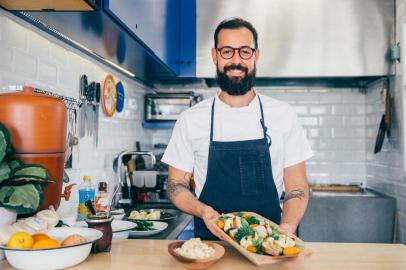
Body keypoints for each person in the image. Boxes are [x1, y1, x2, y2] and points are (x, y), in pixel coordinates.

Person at [161, 17, 314, 240]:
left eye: (244, 51)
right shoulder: (191, 119)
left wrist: (287, 227)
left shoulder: (284, 115)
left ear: (256, 56)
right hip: (210, 246)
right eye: (227, 52)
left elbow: (297, 187)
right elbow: (176, 184)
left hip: (269, 243)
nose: (236, 61)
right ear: (215, 56)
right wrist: (202, 211)